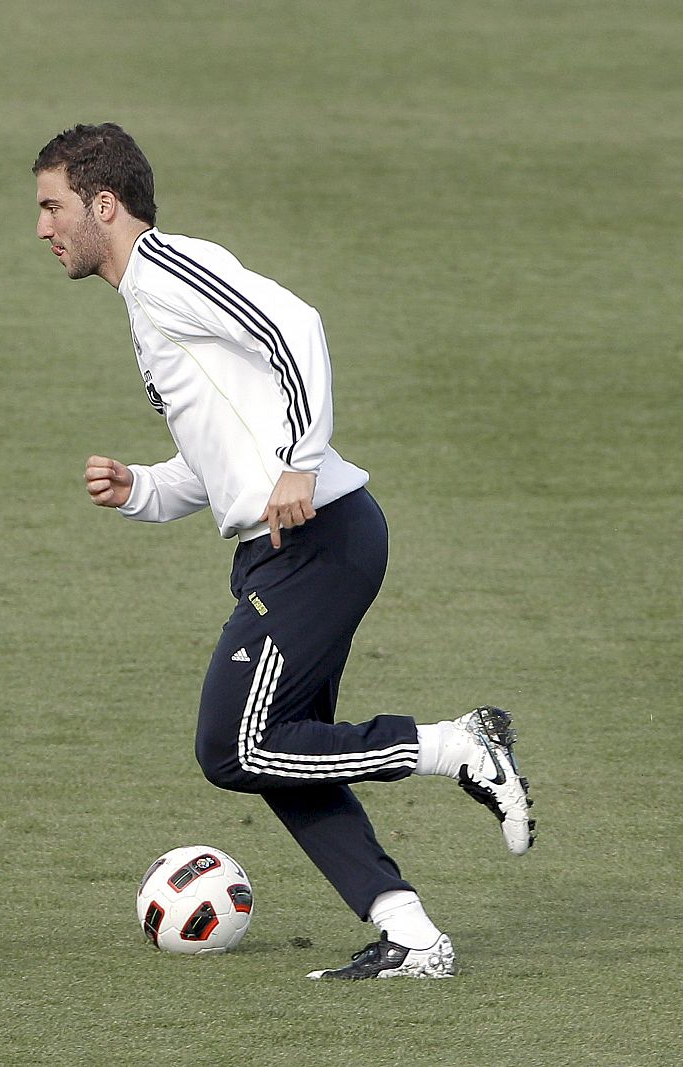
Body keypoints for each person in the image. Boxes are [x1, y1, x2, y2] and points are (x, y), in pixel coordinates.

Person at [32, 123, 533, 979]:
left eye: (53, 207)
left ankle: (460, 745)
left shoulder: (167, 268)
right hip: (288, 545)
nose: (43, 229)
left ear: (103, 205)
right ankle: (410, 933)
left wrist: (302, 458)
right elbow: (221, 455)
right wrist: (142, 489)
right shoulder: (144, 308)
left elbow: (295, 324)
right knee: (285, 751)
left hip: (318, 534)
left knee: (232, 745)